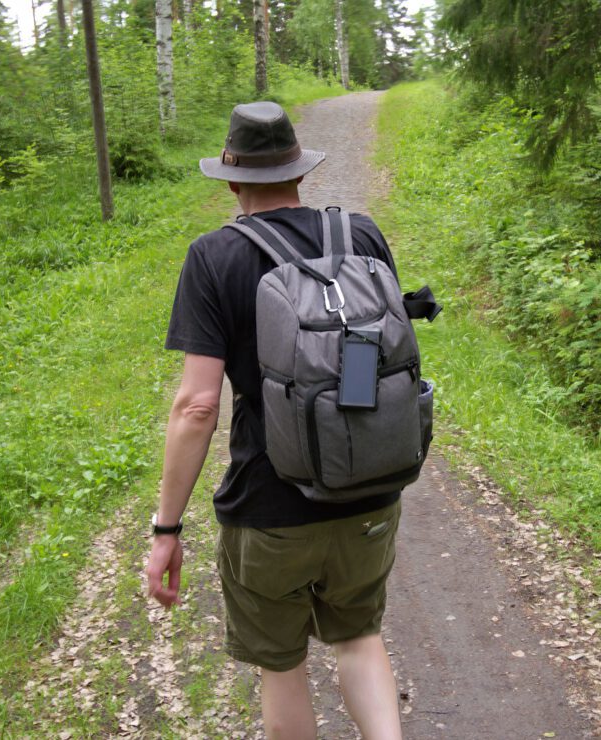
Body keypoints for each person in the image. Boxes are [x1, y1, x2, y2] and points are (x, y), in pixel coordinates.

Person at [144, 101, 405, 740]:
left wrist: (166, 527)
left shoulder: (213, 257)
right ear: (300, 171)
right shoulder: (362, 235)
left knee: (282, 669)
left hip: (269, 505)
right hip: (367, 492)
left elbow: (198, 405)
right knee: (359, 637)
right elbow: (370, 362)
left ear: (232, 181)